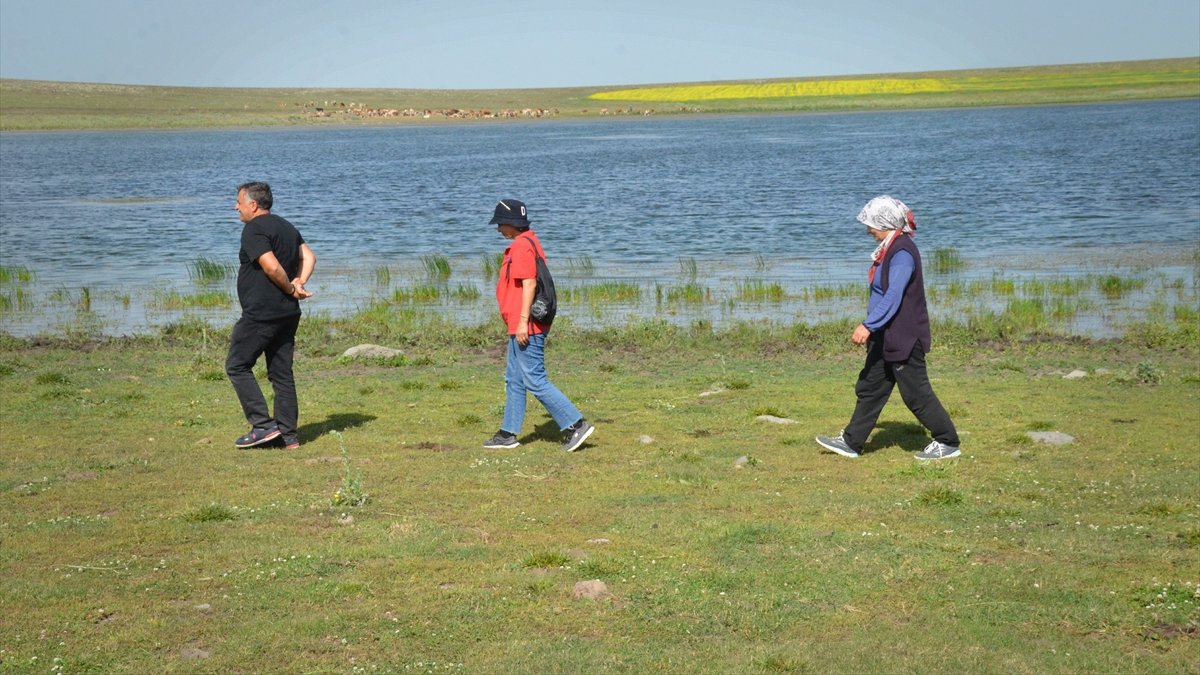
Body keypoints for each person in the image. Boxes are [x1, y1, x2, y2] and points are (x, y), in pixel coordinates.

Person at [815, 196, 960, 461]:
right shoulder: (889, 247)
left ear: (885, 222)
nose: (867, 229)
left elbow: (894, 295)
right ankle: (851, 442)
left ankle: (947, 441)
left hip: (903, 337)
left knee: (916, 394)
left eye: (871, 224)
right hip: (886, 336)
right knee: (870, 387)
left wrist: (867, 325)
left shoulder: (902, 252)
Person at [483, 199, 594, 452]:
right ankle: (507, 433)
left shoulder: (522, 246)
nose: (498, 228)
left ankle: (576, 425)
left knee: (535, 379)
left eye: (500, 223)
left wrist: (523, 322)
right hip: (519, 323)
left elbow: (530, 284)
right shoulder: (529, 241)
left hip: (527, 325)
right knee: (514, 378)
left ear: (510, 224)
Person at [226, 181, 316, 449]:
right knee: (281, 373)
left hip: (261, 314)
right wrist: (300, 282)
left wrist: (290, 286)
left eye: (239, 203)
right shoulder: (286, 226)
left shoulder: (253, 229)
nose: (236, 207)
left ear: (252, 205)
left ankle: (263, 426)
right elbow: (309, 257)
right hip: (288, 313)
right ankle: (288, 437)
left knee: (237, 365)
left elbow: (271, 267)